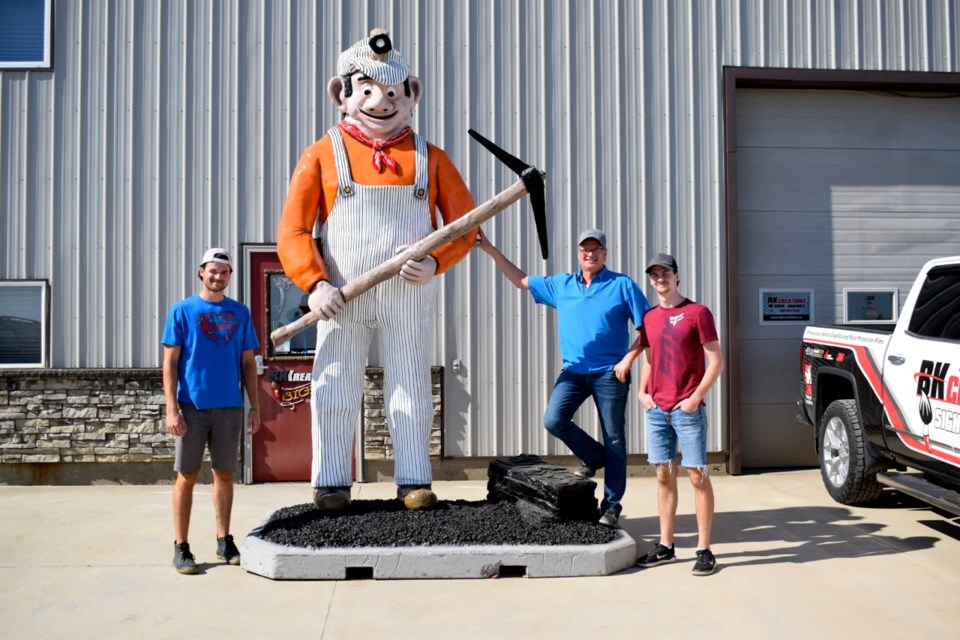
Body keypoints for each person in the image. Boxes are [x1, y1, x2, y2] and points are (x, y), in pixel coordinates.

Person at [276, 29, 477, 512]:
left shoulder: (431, 158)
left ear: (412, 95)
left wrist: (436, 261)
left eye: (391, 92)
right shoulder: (322, 154)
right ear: (340, 94)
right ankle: (330, 482)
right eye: (366, 90)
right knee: (334, 382)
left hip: (407, 296)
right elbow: (294, 231)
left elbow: (465, 226)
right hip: (342, 296)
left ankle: (413, 478)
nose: (380, 103)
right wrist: (314, 281)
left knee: (408, 383)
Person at [477, 228, 649, 528]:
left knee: (616, 439)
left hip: (611, 373)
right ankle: (594, 456)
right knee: (553, 420)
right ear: (578, 253)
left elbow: (647, 330)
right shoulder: (562, 285)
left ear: (605, 254)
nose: (590, 254)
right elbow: (521, 280)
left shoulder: (623, 285)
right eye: (585, 249)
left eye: (596, 249)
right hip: (573, 371)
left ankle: (611, 506)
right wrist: (491, 249)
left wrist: (627, 360)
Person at [162, 248, 261, 575]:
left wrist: (254, 406)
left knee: (225, 474)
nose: (218, 277)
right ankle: (181, 546)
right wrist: (172, 408)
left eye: (224, 272)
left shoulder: (240, 313)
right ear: (201, 271)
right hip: (191, 407)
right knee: (187, 475)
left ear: (230, 276)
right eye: (212, 270)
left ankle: (223, 540)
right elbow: (170, 363)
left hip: (229, 408)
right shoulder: (182, 310)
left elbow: (248, 363)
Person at [634, 252, 724, 576]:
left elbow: (716, 361)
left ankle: (704, 549)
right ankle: (666, 546)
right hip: (657, 410)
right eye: (654, 274)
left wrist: (695, 397)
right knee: (662, 475)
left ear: (677, 276)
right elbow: (648, 358)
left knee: (697, 475)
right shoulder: (649, 317)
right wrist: (643, 394)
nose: (660, 279)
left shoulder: (697, 313)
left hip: (687, 409)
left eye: (666, 273)